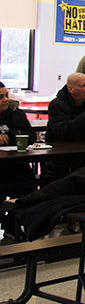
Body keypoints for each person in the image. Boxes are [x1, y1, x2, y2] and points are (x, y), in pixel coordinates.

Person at [0, 81, 37, 237]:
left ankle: (11, 225)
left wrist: (10, 137)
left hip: (14, 165)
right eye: (1, 97)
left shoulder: (16, 113)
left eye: (7, 95)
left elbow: (31, 135)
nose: (6, 100)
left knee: (30, 186)